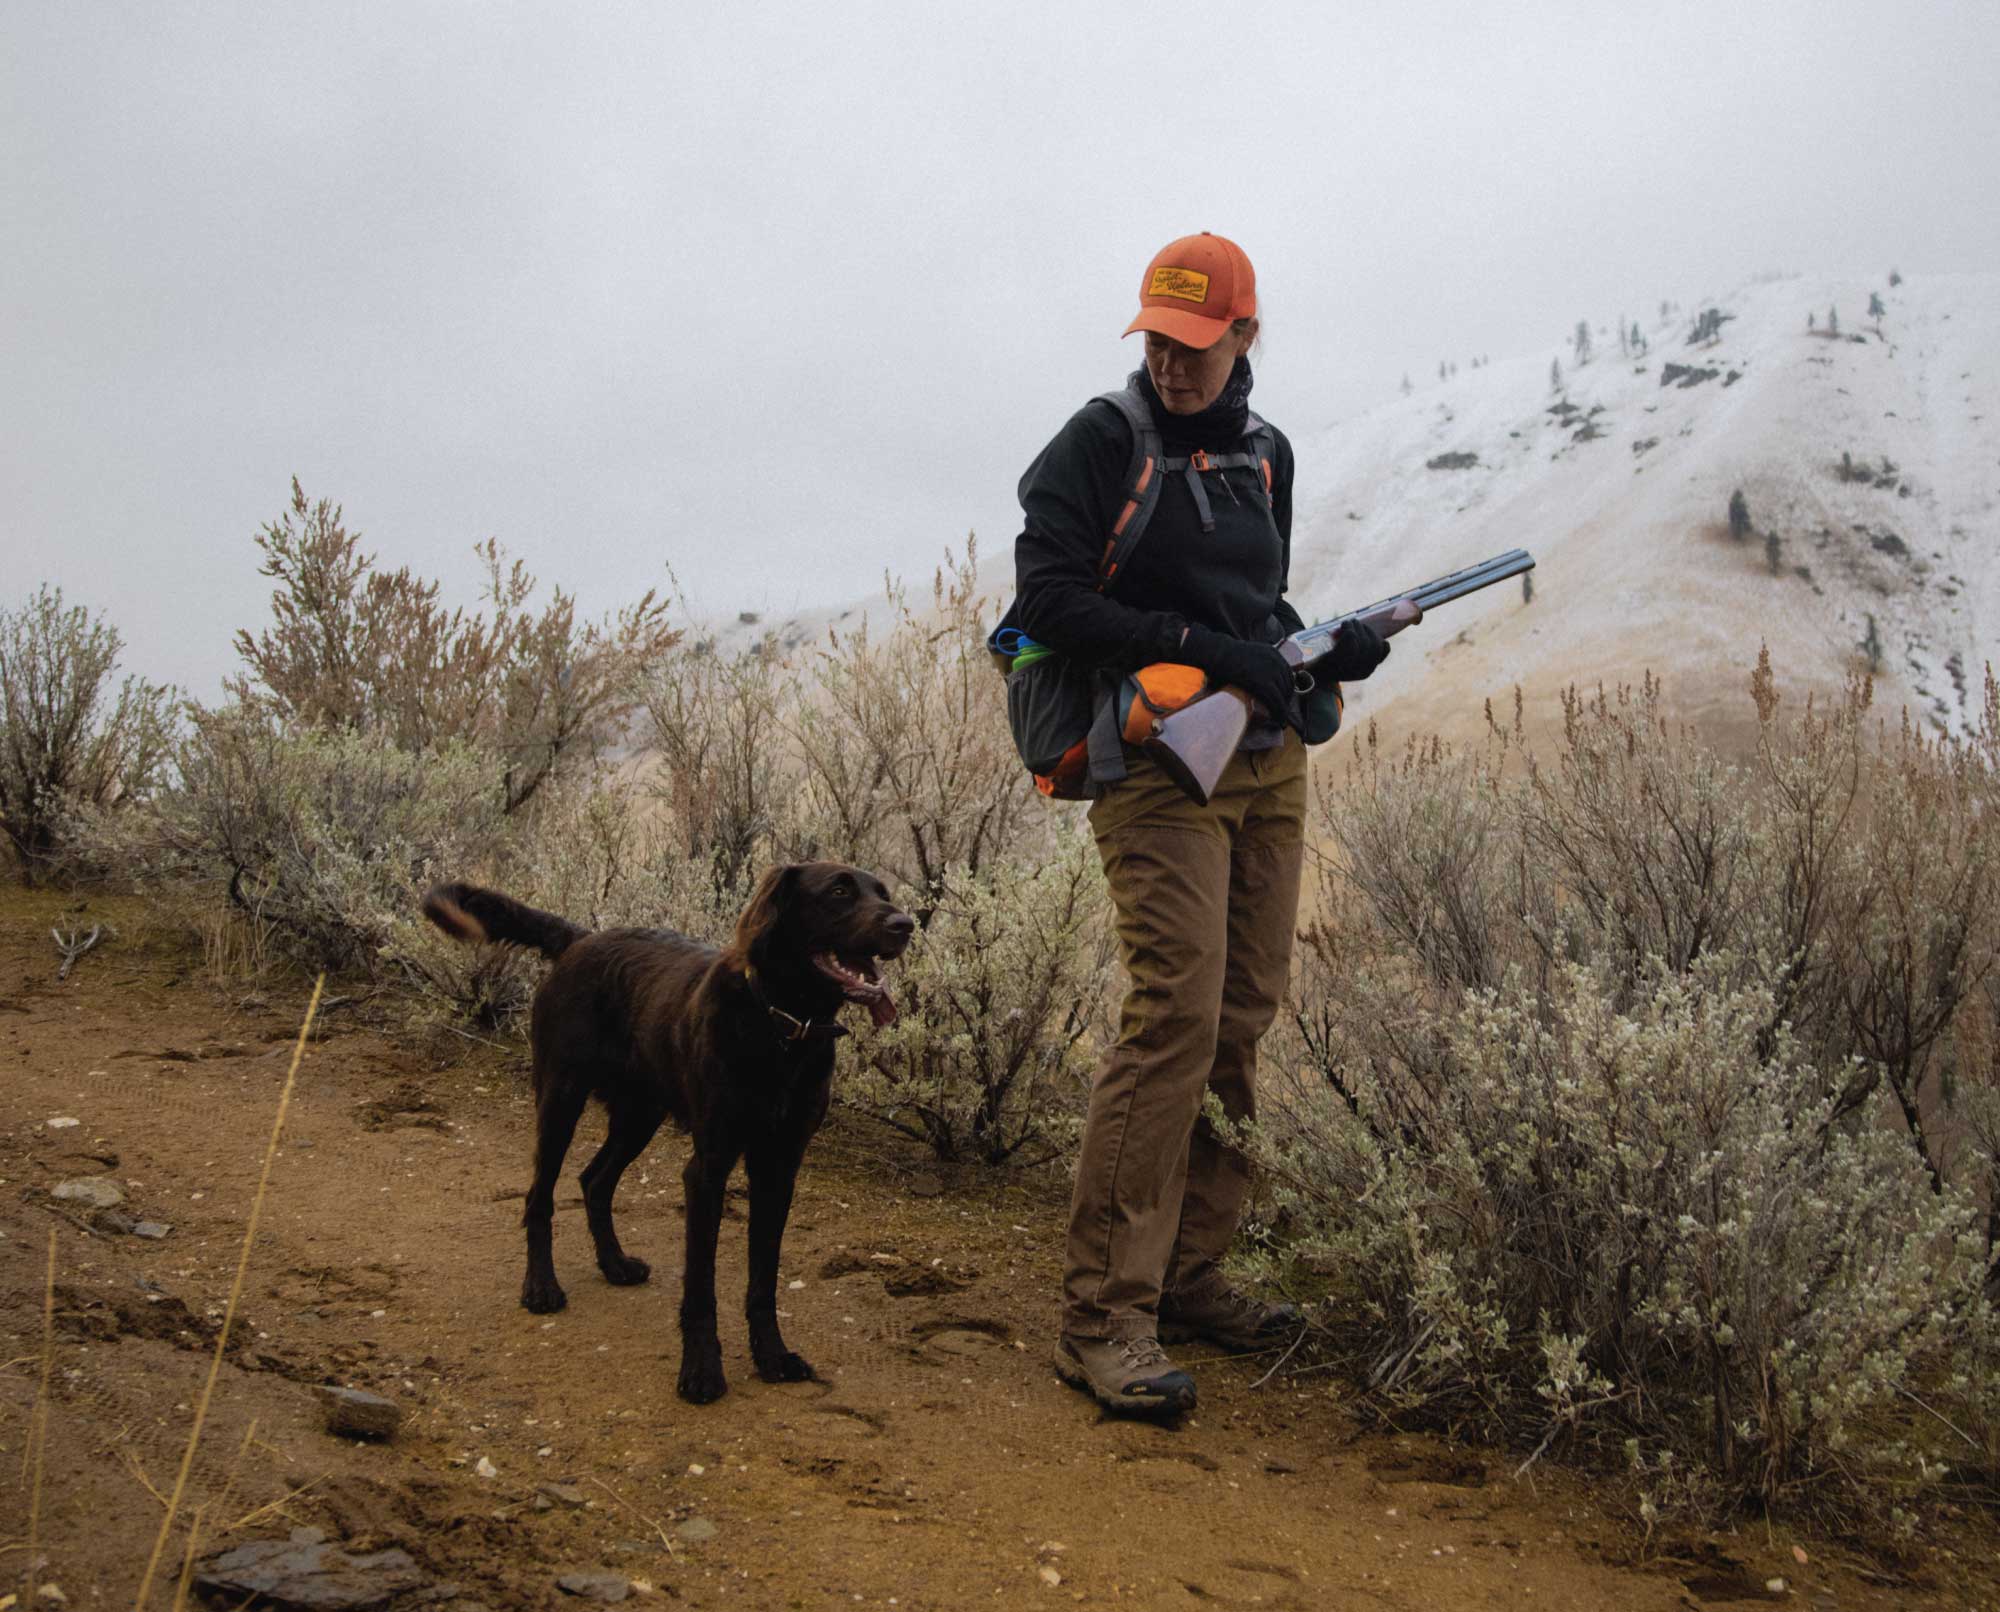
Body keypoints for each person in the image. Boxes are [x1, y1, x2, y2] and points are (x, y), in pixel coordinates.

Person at [1012, 231, 1388, 1416]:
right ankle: (1100, 1316)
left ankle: (1188, 1275)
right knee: (1172, 1014)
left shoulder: (1265, 453)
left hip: (1263, 761)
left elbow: (1252, 602)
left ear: (1243, 335)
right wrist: (1202, 648)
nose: (1171, 364)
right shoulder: (1097, 442)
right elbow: (1046, 604)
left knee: (1242, 1014)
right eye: (1157, 343)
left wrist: (1325, 645)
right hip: (1153, 764)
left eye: (1194, 344)